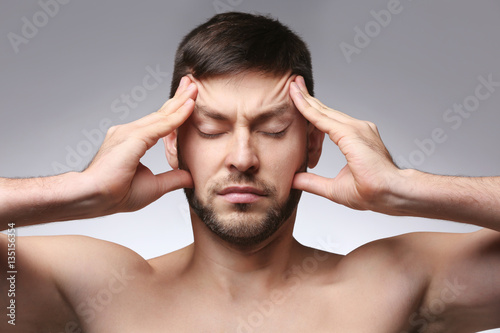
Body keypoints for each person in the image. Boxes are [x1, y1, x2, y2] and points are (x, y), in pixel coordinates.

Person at [1, 11, 499, 333]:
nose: (242, 157)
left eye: (274, 129)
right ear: (172, 144)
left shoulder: (393, 283)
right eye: (212, 129)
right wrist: (77, 190)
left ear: (313, 144)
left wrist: (406, 188)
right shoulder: (94, 289)